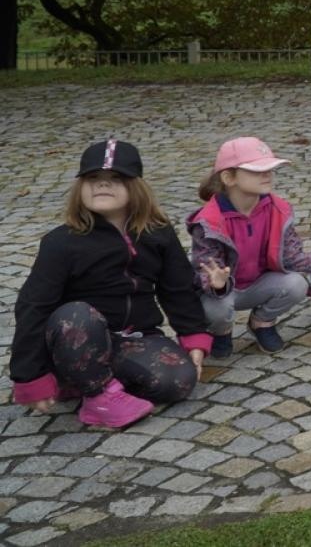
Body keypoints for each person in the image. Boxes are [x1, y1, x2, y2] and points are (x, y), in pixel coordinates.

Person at [10, 140, 209, 430]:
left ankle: (84, 379)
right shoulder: (61, 242)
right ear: (80, 188)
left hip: (131, 338)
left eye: (115, 179)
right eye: (93, 179)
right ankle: (98, 398)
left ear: (135, 188)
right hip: (73, 336)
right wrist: (29, 375)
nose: (102, 185)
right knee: (77, 314)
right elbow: (33, 305)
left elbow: (177, 288)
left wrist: (194, 335)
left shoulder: (158, 233)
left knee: (177, 381)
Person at [188, 138, 311, 358]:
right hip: (223, 291)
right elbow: (204, 270)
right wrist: (216, 283)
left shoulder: (278, 209)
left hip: (259, 284)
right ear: (229, 177)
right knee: (216, 308)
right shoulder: (208, 222)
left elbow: (292, 258)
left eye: (270, 169)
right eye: (257, 170)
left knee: (296, 284)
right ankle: (221, 331)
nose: (267, 174)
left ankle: (261, 322)